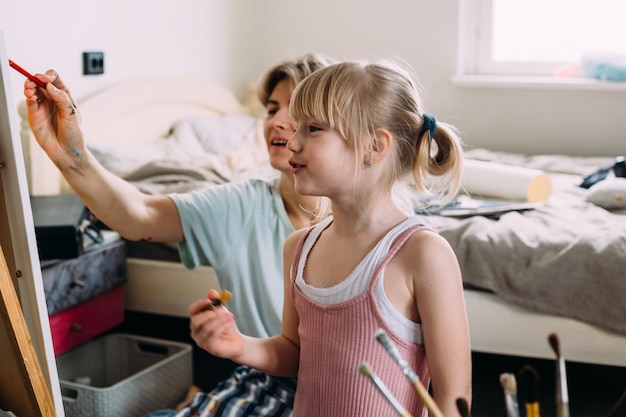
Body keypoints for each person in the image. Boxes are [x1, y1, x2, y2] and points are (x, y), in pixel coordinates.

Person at [22, 53, 334, 416]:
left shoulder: (373, 218)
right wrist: (71, 156)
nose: (277, 122)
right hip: (267, 384)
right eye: (270, 108)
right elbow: (140, 215)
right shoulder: (241, 205)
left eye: (294, 109)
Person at [188, 59, 472, 417]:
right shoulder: (299, 247)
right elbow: (294, 352)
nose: (292, 141)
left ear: (374, 146)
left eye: (312, 129)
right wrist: (239, 346)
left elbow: (454, 398)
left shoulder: (422, 254)